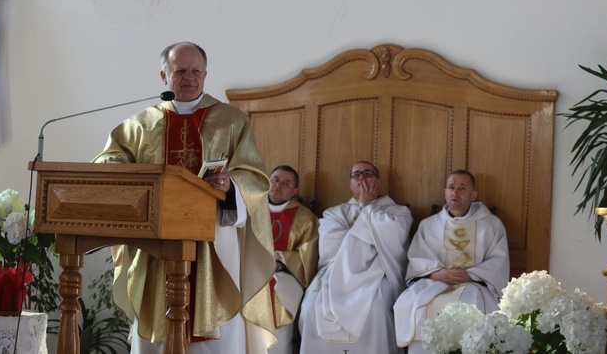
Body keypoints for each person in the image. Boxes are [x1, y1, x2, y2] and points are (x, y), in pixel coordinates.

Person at [93, 41, 277, 354]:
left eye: (195, 71)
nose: (188, 77)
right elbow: (107, 161)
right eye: (180, 71)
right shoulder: (140, 125)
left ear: (206, 74)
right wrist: (116, 166)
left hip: (214, 245)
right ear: (164, 76)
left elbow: (255, 178)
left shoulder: (232, 121)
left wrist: (230, 185)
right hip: (157, 244)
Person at [298, 161, 412, 354]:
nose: (361, 178)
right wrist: (371, 235)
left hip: (377, 273)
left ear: (378, 181)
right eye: (356, 175)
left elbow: (394, 240)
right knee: (310, 307)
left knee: (377, 310)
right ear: (350, 184)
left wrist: (365, 207)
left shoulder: (398, 212)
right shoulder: (334, 213)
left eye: (367, 174)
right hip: (335, 272)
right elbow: (332, 247)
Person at [393, 169, 510, 354]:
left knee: (475, 306)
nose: (455, 192)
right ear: (445, 192)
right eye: (451, 187)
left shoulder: (491, 225)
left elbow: (498, 262)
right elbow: (417, 259)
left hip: (474, 284)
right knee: (413, 302)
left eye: (462, 188)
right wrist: (438, 273)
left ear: (473, 195)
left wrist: (469, 275)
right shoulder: (428, 225)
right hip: (436, 281)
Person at [266, 165, 319, 354]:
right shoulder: (251, 209)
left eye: (286, 183)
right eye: (275, 179)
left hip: (285, 275)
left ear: (295, 190)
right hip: (249, 271)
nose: (278, 185)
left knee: (274, 291)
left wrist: (279, 261)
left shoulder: (305, 218)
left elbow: (308, 259)